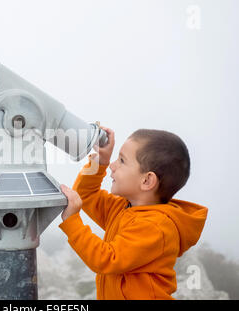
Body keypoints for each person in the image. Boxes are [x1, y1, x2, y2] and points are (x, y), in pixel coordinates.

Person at [59, 127, 208, 300]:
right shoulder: (123, 208)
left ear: (147, 180)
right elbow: (86, 194)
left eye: (122, 160)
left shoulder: (155, 227)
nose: (112, 166)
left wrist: (72, 221)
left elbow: (107, 259)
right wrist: (100, 162)